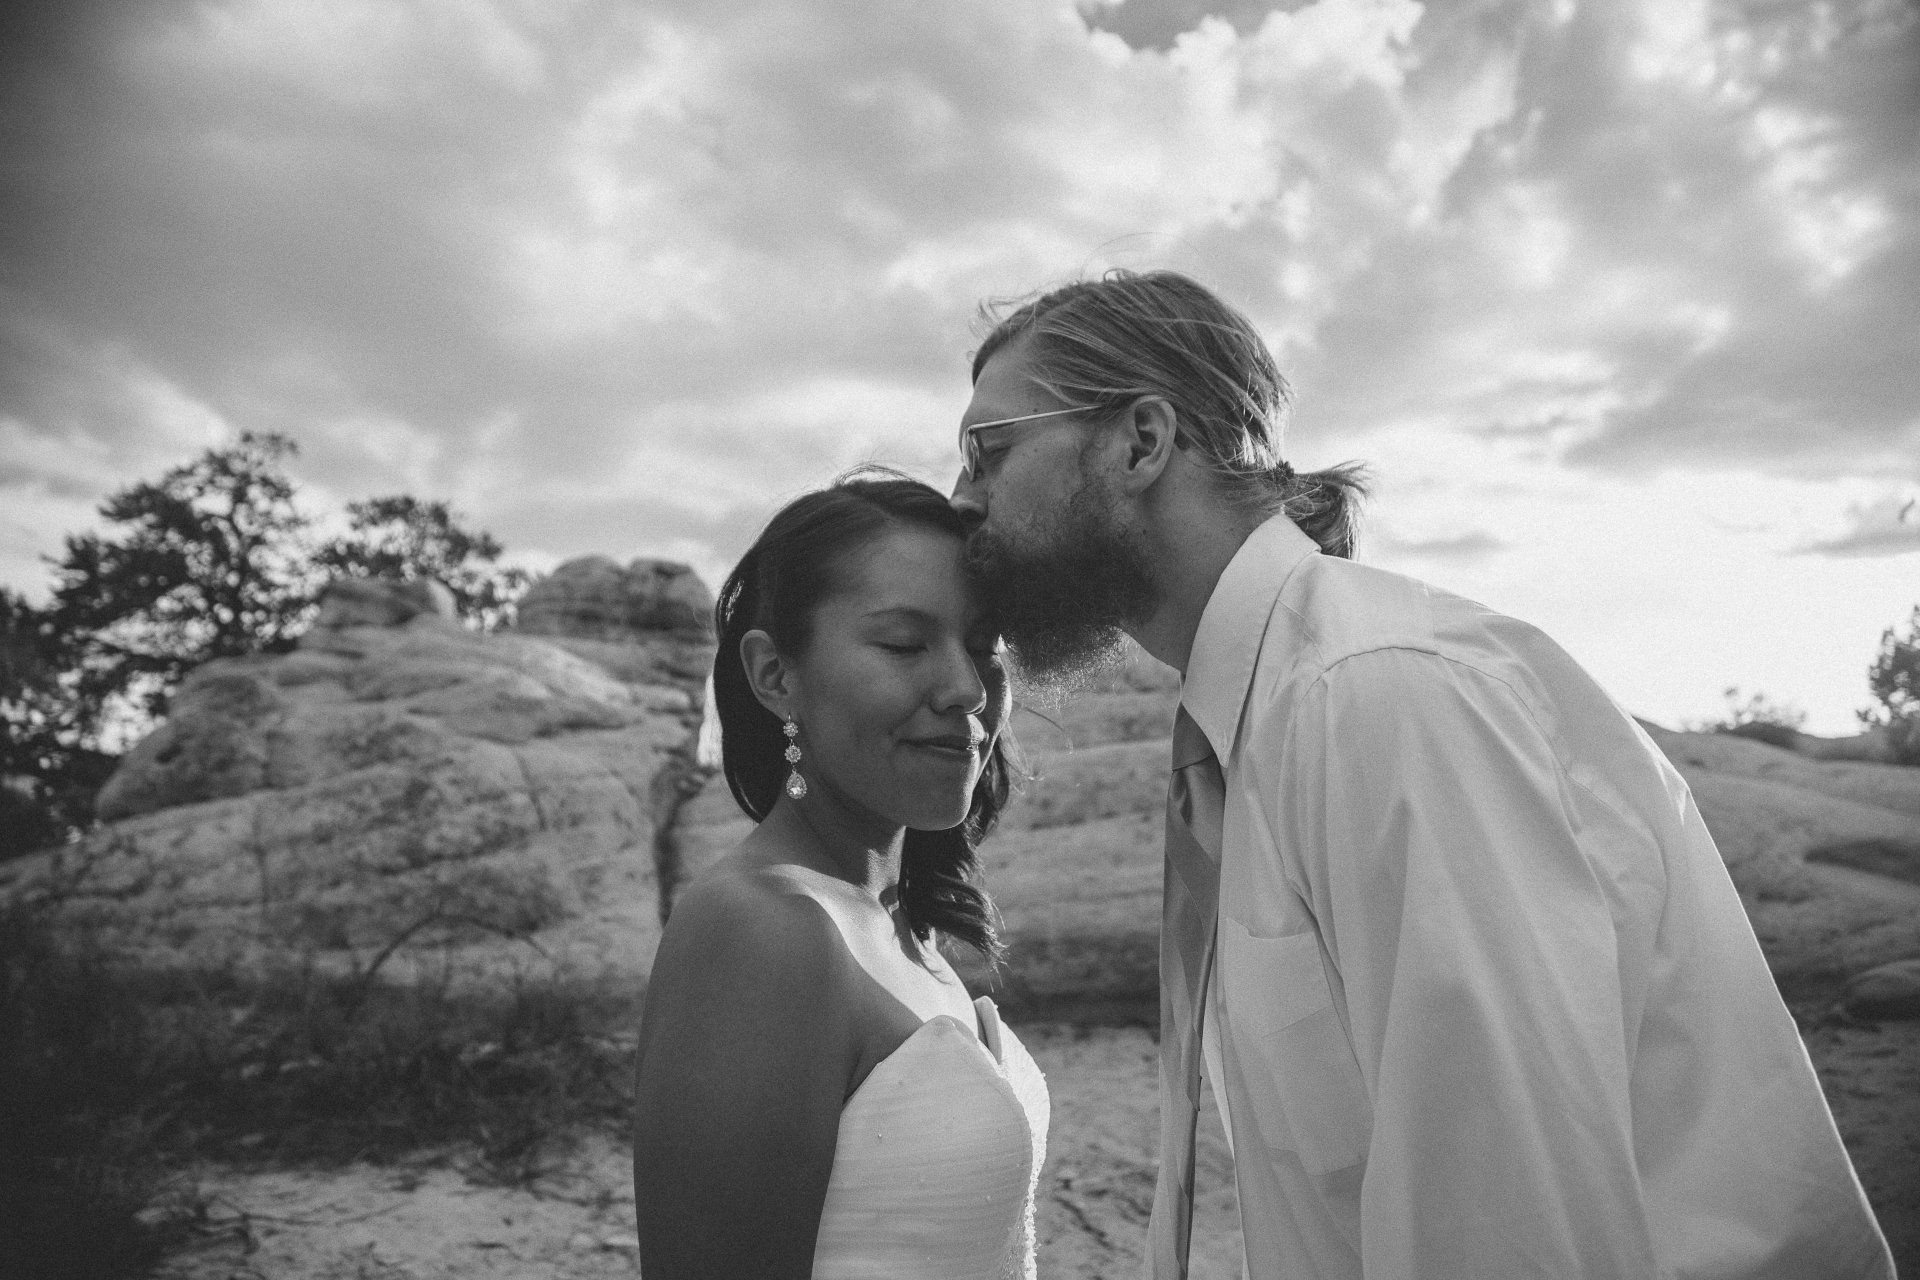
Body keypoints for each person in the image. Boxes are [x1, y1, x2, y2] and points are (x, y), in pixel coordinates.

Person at [950, 269, 1894, 1279]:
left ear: (1142, 440)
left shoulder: (1377, 701)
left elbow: (1505, 1220)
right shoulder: (1262, 723)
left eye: (988, 452)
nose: (963, 501)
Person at [633, 469, 1049, 1280]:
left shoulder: (901, 925)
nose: (967, 687)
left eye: (982, 645)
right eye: (903, 645)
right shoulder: (762, 932)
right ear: (775, 676)